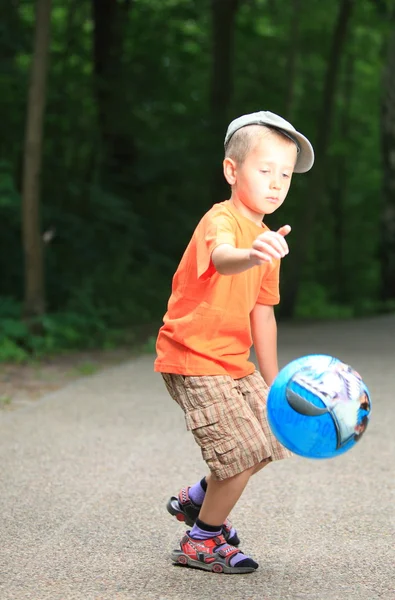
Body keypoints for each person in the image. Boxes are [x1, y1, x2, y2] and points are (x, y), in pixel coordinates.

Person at [154, 110, 315, 574]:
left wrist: (274, 380)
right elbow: (224, 259)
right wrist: (251, 253)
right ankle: (200, 541)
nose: (277, 183)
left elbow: (262, 314)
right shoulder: (220, 221)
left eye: (285, 174)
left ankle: (198, 499)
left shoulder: (269, 239)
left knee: (269, 438)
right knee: (240, 453)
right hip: (192, 356)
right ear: (232, 170)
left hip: (232, 361)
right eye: (265, 170)